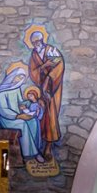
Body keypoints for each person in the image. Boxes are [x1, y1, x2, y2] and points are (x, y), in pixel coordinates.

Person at [27, 29, 64, 161]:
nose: (35, 44)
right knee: (40, 114)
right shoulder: (34, 54)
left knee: (51, 116)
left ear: (42, 40)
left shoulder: (52, 50)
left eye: (37, 41)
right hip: (41, 90)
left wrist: (49, 78)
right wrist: (43, 67)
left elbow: (60, 65)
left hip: (53, 90)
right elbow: (33, 72)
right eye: (33, 42)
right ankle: (39, 144)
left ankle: (48, 147)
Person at [0, 65, 44, 162]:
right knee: (23, 124)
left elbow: (20, 102)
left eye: (22, 78)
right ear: (13, 76)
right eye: (19, 76)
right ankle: (29, 154)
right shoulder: (2, 91)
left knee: (33, 122)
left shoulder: (17, 88)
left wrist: (32, 102)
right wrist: (18, 116)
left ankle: (35, 149)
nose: (20, 79)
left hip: (19, 115)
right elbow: (3, 109)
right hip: (8, 118)